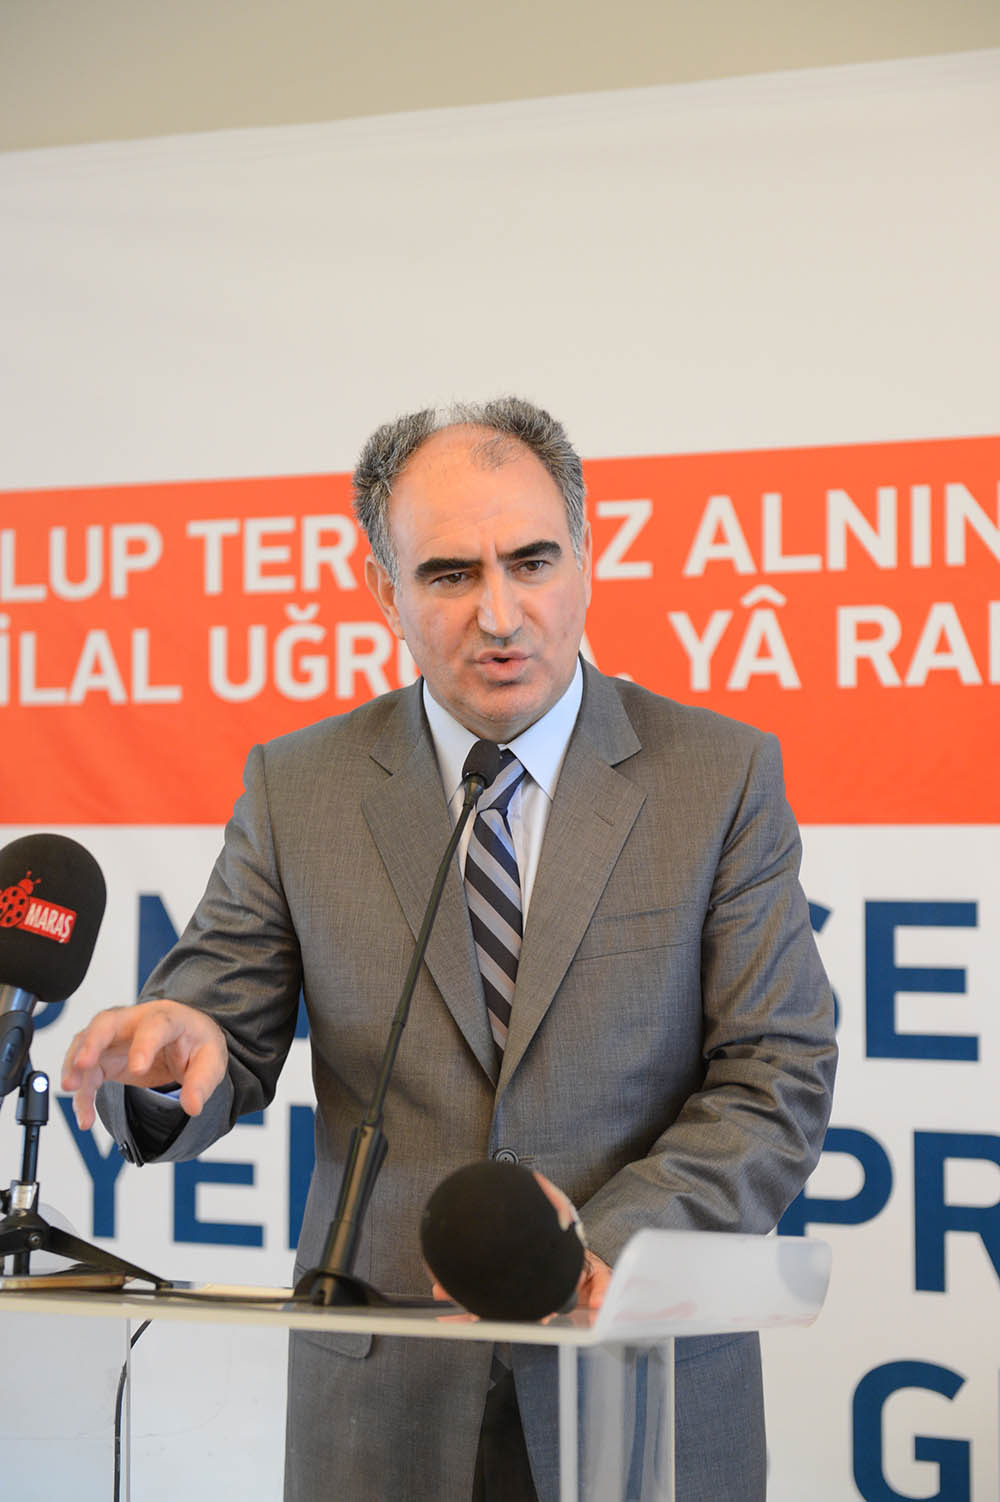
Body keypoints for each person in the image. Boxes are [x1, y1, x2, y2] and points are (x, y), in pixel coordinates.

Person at [63, 397, 837, 1501]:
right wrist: (169, 1057)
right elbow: (212, 1032)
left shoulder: (718, 776)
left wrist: (594, 1247)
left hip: (640, 1381)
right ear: (384, 590)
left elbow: (775, 1074)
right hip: (382, 1403)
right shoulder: (300, 786)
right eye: (450, 574)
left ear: (586, 557)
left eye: (532, 561)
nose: (501, 613)